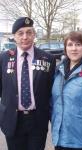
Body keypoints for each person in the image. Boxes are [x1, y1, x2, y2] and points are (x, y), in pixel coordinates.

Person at [0, 17, 56, 150]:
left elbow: (51, 90)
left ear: (34, 35)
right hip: (13, 120)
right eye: (20, 33)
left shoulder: (48, 59)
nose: (25, 37)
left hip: (37, 120)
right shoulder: (3, 58)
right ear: (14, 36)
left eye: (29, 32)